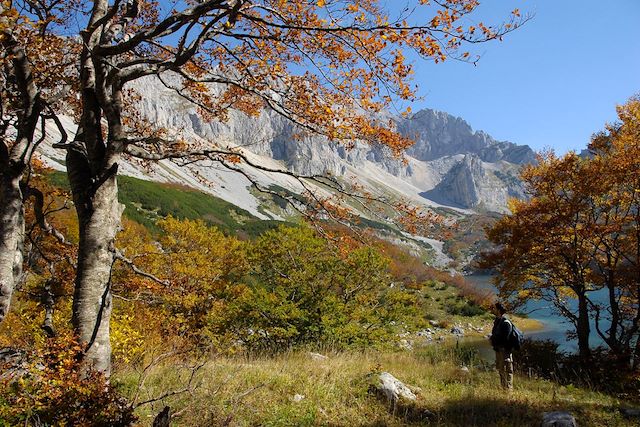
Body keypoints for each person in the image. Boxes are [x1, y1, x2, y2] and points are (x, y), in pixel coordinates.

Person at [490, 302, 513, 390]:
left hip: (505, 350)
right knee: (501, 370)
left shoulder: (506, 322)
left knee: (507, 370)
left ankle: (508, 390)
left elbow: (506, 338)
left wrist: (497, 343)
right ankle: (503, 388)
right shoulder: (497, 320)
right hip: (498, 350)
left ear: (499, 310)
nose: (493, 310)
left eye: (494, 308)